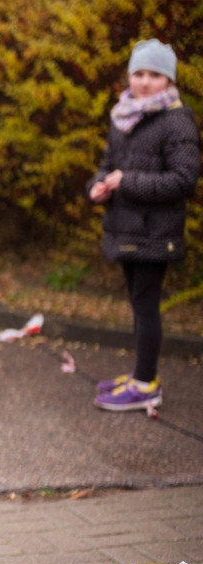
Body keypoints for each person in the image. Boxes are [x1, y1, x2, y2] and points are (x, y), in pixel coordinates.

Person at [87, 39, 200, 412]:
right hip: (124, 227)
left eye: (155, 74)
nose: (146, 81)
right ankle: (140, 372)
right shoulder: (123, 116)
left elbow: (184, 180)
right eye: (139, 73)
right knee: (138, 305)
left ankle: (146, 384)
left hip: (155, 233)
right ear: (129, 77)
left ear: (168, 80)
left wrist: (127, 181)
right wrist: (98, 187)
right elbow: (107, 165)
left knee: (146, 306)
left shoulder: (176, 121)